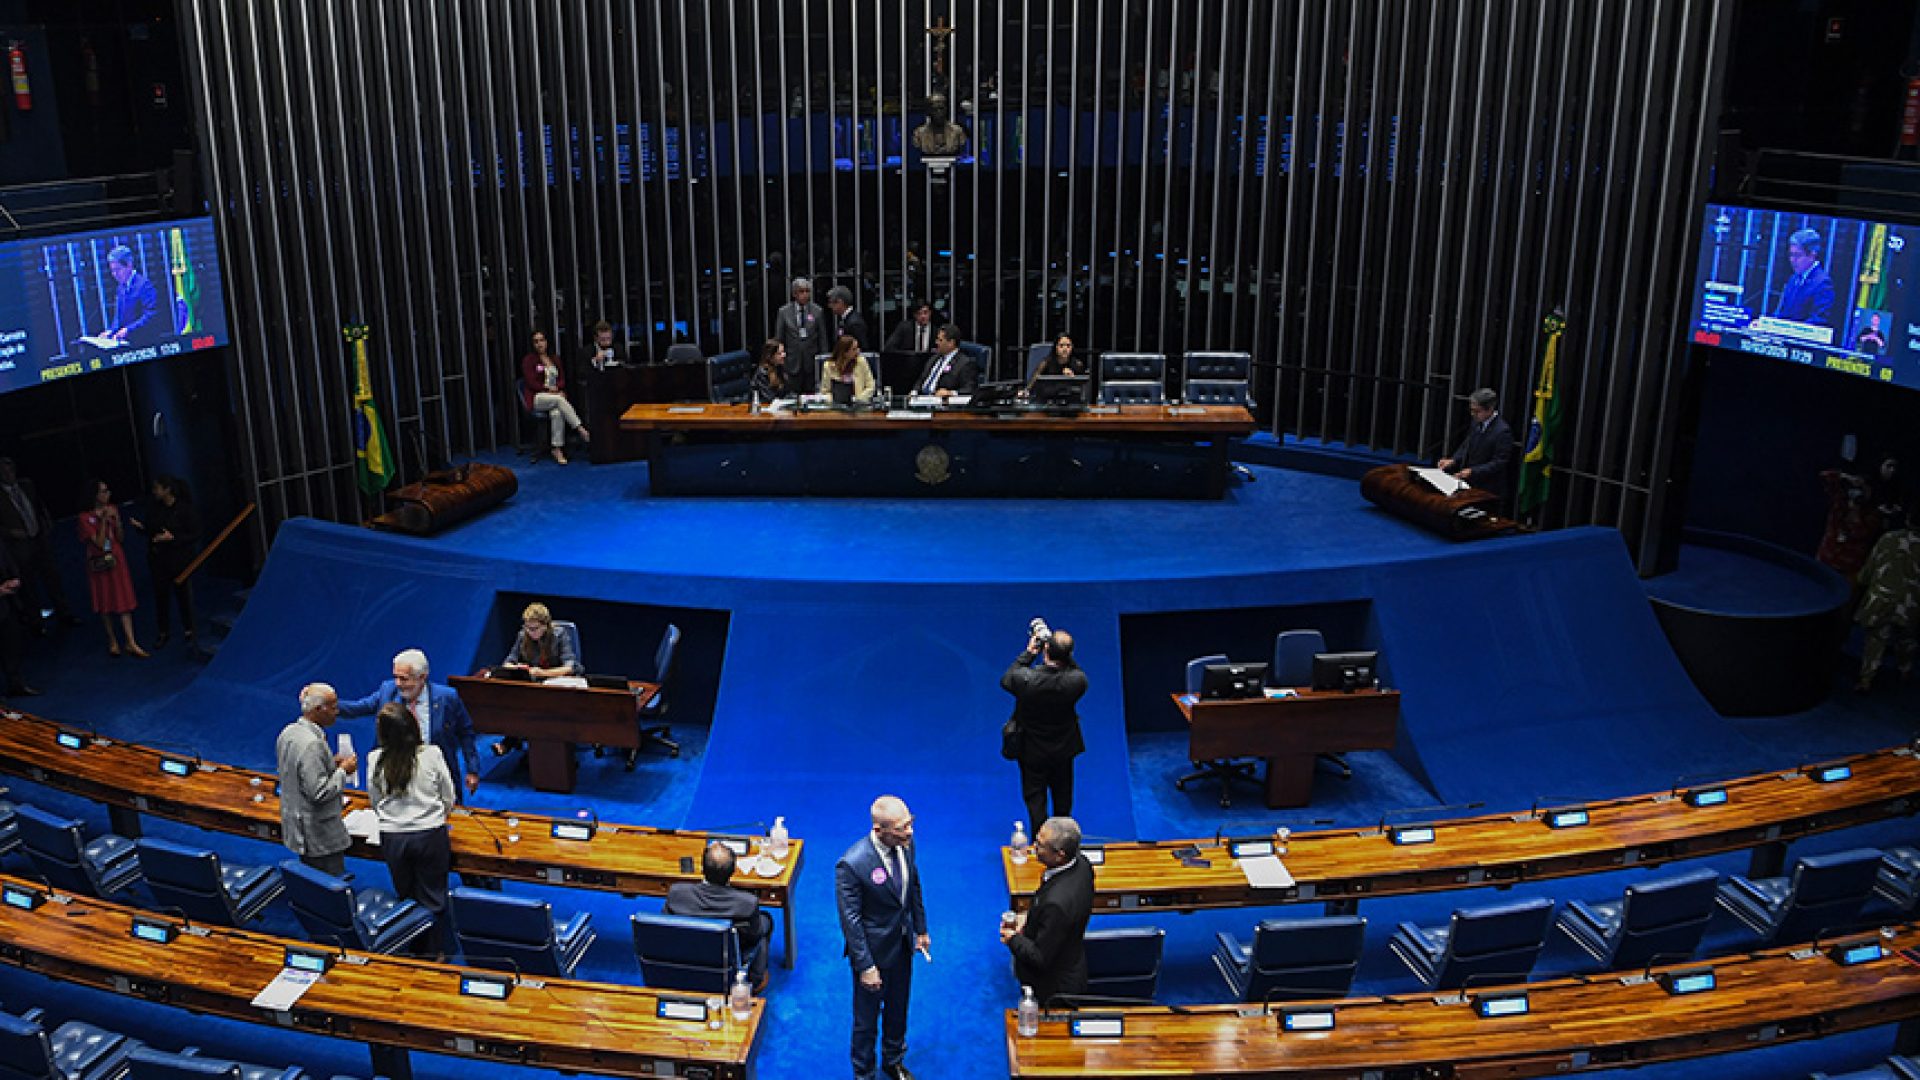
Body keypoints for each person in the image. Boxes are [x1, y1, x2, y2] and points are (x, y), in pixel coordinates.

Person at [836, 795, 929, 1080]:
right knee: (866, 1022)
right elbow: (850, 921)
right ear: (879, 830)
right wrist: (865, 966)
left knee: (898, 1009)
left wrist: (921, 929)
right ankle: (864, 1073)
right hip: (873, 954)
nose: (910, 831)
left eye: (910, 823)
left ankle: (893, 1060)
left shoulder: (905, 845)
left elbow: (913, 885)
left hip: (901, 945)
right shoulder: (852, 864)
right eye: (902, 828)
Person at [368, 701, 455, 954]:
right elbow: (448, 795)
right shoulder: (431, 754)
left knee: (407, 895)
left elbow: (375, 800)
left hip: (393, 838)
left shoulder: (374, 759)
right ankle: (435, 952)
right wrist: (436, 815)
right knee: (434, 898)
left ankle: (415, 949)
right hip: (430, 835)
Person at [338, 648, 481, 799]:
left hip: (434, 773)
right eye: (396, 677)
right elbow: (358, 708)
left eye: (404, 678)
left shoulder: (447, 698)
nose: (398, 684)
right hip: (395, 772)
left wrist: (472, 770)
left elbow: (466, 733)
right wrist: (330, 703)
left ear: (422, 677)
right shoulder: (388, 691)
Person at [999, 816, 1093, 1007]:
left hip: (1053, 989)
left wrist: (1012, 938)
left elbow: (1040, 957)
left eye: (1041, 846)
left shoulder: (1056, 904)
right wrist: (1029, 916)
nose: (1033, 847)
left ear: (1060, 855)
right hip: (1071, 956)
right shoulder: (1082, 864)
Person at [1002, 625, 1088, 829]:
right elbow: (1075, 669)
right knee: (1063, 798)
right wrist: (1061, 651)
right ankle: (1064, 841)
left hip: (1031, 750)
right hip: (1063, 749)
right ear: (1069, 655)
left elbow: (1007, 679)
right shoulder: (1077, 681)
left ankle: (1041, 842)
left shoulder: (1026, 680)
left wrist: (1029, 653)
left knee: (1035, 799)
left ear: (1045, 650)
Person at [664, 840, 775, 991]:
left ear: (702, 868)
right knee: (765, 922)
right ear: (733, 871)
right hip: (725, 957)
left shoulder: (677, 894)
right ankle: (756, 977)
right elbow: (754, 936)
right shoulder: (747, 903)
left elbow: (665, 926)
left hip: (687, 958)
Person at [276, 682, 358, 877]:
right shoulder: (313, 744)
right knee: (327, 883)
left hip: (297, 824)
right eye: (333, 706)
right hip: (319, 834)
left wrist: (329, 763)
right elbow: (319, 792)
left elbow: (298, 770)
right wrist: (343, 772)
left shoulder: (289, 732)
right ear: (318, 709)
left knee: (310, 878)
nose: (337, 712)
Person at [489, 602, 582, 757]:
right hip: (533, 683)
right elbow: (508, 661)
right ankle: (512, 740)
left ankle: (512, 743)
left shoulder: (560, 635)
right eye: (527, 627)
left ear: (545, 625)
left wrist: (543, 673)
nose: (530, 632)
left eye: (534, 629)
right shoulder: (522, 636)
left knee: (537, 707)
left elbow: (570, 667)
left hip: (556, 683)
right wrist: (516, 667)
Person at [0, 457, 76, 632]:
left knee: (53, 577)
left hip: (39, 539)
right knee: (28, 585)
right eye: (4, 471)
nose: (8, 473)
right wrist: (11, 533)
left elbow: (39, 506)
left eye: (10, 469)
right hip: (19, 546)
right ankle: (36, 622)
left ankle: (64, 613)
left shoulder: (27, 485)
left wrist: (46, 524)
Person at [77, 479, 146, 659]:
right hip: (99, 561)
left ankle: (131, 641)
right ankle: (113, 639)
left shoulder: (113, 508)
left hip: (116, 557)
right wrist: (103, 521)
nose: (107, 494)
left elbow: (120, 538)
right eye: (103, 491)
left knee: (123, 597)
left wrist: (118, 522)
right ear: (95, 495)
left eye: (108, 490)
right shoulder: (85, 518)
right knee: (105, 599)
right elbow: (99, 543)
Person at [128, 475, 199, 649]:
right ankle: (163, 632)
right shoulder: (154, 509)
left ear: (167, 489)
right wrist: (142, 528)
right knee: (161, 596)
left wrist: (173, 538)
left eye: (157, 488)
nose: (154, 492)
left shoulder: (185, 509)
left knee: (183, 594)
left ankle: (189, 628)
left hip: (179, 558)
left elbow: (195, 534)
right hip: (158, 559)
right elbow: (151, 529)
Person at [1855, 507, 1918, 692]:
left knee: (1875, 640)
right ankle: (1904, 671)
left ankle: (1865, 679)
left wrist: (1863, 582)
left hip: (1881, 599)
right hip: (1912, 605)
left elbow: (1868, 571)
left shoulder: (1888, 538)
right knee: (1907, 640)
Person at [520, 330, 590, 465]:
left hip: (555, 395)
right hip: (537, 397)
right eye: (536, 341)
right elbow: (531, 382)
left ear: (546, 342)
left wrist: (557, 389)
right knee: (559, 400)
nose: (539, 344)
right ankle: (581, 429)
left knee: (557, 413)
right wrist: (549, 390)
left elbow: (562, 379)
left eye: (542, 340)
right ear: (532, 344)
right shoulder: (528, 360)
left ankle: (556, 449)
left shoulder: (554, 358)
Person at [1436, 388, 1514, 500]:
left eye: (1477, 411)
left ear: (1490, 409)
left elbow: (1499, 462)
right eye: (1472, 410)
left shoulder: (1502, 431)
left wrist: (1473, 471)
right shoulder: (1476, 423)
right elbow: (1466, 445)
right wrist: (1453, 460)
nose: (1473, 414)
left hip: (1488, 489)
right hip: (1471, 483)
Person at [1773, 227, 1835, 327]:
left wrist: (1790, 329)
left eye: (1797, 255)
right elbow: (1782, 313)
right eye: (1791, 255)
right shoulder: (1793, 279)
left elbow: (1819, 320)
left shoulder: (1823, 283)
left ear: (1812, 255)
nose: (1792, 260)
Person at [774, 277, 825, 394]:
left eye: (807, 291)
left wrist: (822, 363)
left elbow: (823, 339)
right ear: (794, 294)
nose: (805, 295)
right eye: (801, 291)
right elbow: (779, 339)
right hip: (791, 363)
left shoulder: (818, 311)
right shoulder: (783, 312)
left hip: (811, 363)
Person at [106, 245, 163, 347]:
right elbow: (118, 316)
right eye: (112, 271)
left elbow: (151, 315)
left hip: (144, 343)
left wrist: (128, 330)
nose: (115, 274)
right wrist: (111, 331)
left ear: (129, 265)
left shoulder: (144, 285)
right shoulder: (120, 288)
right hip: (126, 343)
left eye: (118, 269)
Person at [0, 544, 34, 698]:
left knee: (12, 643)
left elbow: (7, 558)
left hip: (7, 603)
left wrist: (14, 578)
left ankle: (16, 684)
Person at [913, 325, 978, 398]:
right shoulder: (933, 358)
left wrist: (950, 393)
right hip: (921, 400)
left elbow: (970, 389)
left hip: (942, 404)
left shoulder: (965, 363)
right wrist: (914, 391)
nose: (936, 342)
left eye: (940, 340)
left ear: (951, 342)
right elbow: (921, 379)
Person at [822, 334, 876, 401]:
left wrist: (858, 399)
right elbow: (825, 391)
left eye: (857, 348)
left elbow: (871, 386)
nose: (858, 351)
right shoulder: (828, 366)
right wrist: (834, 400)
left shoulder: (861, 362)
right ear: (844, 352)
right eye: (854, 349)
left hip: (859, 404)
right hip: (836, 406)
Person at [826, 286, 873, 352]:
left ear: (840, 302)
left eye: (831, 302)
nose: (829, 306)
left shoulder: (855, 323)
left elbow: (863, 348)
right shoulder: (845, 319)